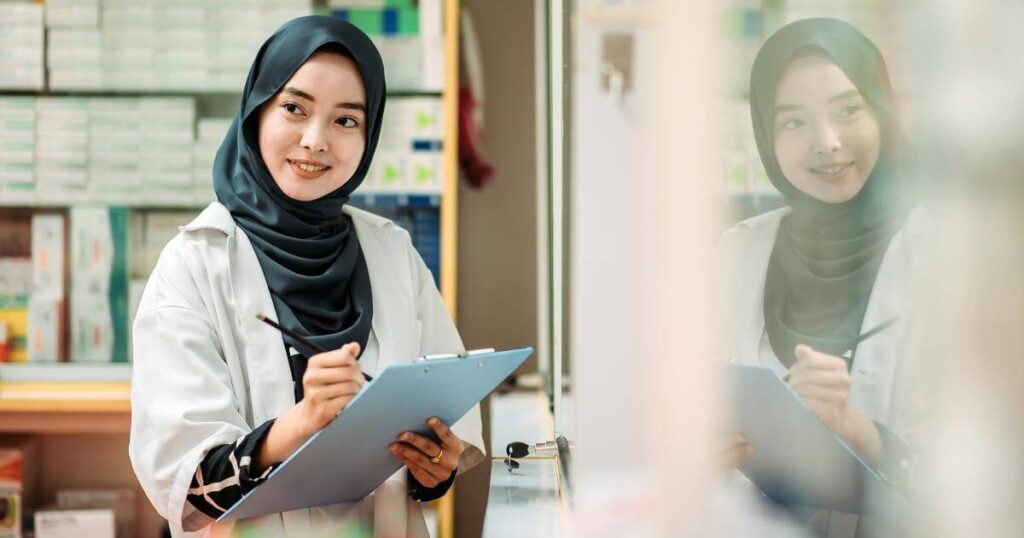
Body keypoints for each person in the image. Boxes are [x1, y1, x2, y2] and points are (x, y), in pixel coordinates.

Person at [128, 16, 484, 537]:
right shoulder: (195, 263)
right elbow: (185, 485)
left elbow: (439, 430)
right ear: (256, 113)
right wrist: (302, 421)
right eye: (294, 108)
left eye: (346, 120)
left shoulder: (390, 249)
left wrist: (434, 466)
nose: (316, 141)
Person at [718, 18, 925, 537]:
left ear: (881, 111)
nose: (827, 143)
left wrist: (853, 429)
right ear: (767, 135)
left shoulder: (942, 257)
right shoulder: (739, 251)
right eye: (793, 123)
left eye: (848, 110)